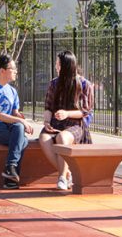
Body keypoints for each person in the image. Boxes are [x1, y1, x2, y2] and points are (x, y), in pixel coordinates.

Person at [38, 51, 95, 191]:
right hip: (56, 123)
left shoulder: (83, 84)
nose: (56, 67)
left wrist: (67, 113)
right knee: (44, 138)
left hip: (75, 125)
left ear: (67, 66)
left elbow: (85, 111)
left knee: (62, 138)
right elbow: (48, 107)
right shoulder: (54, 83)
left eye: (58, 64)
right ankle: (68, 173)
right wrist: (46, 122)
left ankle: (62, 177)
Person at [0, 54, 32, 190]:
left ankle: (10, 171)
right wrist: (20, 121)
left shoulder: (12, 91)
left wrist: (21, 118)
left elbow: (15, 113)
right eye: (13, 68)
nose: (16, 71)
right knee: (23, 141)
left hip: (8, 128)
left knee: (20, 132)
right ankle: (10, 176)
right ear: (2, 71)